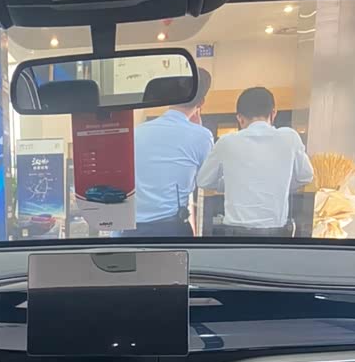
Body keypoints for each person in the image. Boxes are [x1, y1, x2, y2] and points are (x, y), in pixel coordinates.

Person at [197, 86, 314, 237]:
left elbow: (203, 180)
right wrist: (280, 184)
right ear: (273, 113)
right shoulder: (290, 138)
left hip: (235, 233)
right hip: (276, 233)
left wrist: (234, 184)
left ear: (240, 118)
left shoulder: (227, 142)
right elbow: (306, 176)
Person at [123, 67, 213, 237]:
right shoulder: (201, 136)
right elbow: (207, 181)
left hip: (132, 231)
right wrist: (198, 129)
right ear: (201, 102)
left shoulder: (136, 132)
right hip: (172, 230)